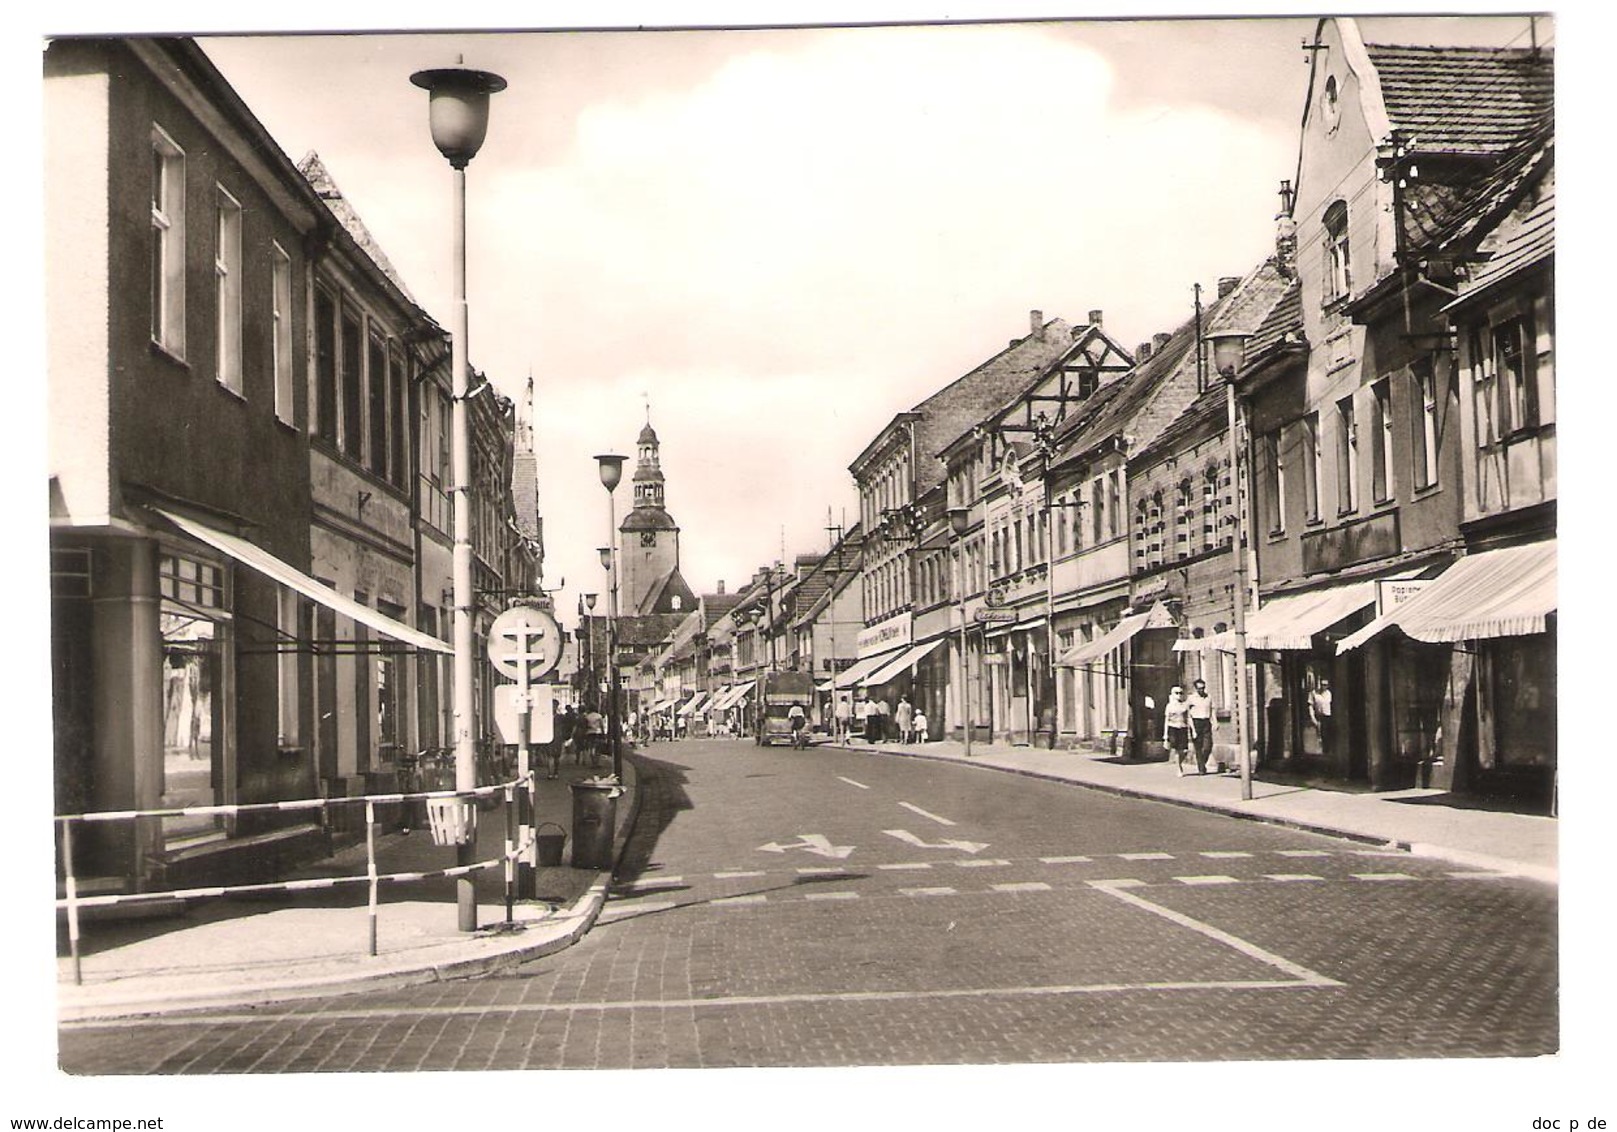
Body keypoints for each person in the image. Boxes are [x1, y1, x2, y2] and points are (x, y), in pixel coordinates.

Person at [1163, 685, 1192, 777]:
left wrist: (1192, 730)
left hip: (1183, 727)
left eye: (1181, 693)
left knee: (1184, 750)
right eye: (1177, 693)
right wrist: (1165, 736)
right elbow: (1166, 720)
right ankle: (1179, 767)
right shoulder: (1169, 706)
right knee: (1176, 749)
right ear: (1173, 694)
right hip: (1173, 727)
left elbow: (1188, 718)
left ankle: (1179, 762)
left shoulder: (1184, 705)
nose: (1179, 695)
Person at [1187, 679, 1215, 775]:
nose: (1201, 690)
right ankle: (1201, 769)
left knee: (1208, 746)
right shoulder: (1191, 698)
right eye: (1199, 688)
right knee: (1198, 747)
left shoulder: (1208, 697)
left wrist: (1215, 722)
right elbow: (1188, 715)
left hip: (1206, 722)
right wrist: (1193, 729)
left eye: (1203, 688)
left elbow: (1212, 710)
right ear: (1196, 688)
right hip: (1196, 722)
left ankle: (1202, 763)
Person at [1309, 677, 1335, 758]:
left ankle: (1327, 753)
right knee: (1319, 735)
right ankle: (1320, 754)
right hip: (1319, 717)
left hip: (1328, 717)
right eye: (1322, 684)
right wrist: (1312, 717)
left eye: (1325, 685)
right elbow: (1310, 706)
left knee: (1327, 736)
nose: (1324, 686)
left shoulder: (1329, 693)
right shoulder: (1314, 693)